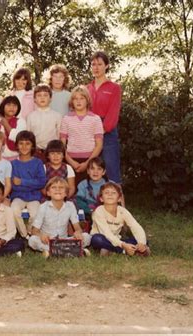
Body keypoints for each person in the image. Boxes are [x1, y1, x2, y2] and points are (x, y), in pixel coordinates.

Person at [28, 177, 91, 258]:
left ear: (66, 193)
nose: (57, 190)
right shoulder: (43, 207)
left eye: (61, 188)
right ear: (48, 193)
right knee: (32, 240)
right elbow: (34, 231)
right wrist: (41, 235)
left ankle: (52, 251)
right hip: (48, 241)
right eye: (54, 187)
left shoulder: (70, 206)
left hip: (64, 240)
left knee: (87, 237)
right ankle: (72, 250)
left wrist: (78, 232)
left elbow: (77, 228)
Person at [87, 51, 122, 184]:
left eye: (100, 64)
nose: (96, 67)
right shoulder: (86, 88)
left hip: (107, 132)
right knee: (91, 170)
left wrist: (101, 130)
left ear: (106, 66)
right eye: (93, 64)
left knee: (111, 170)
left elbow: (113, 114)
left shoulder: (114, 88)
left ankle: (120, 204)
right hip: (88, 130)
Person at [90, 182, 150, 256]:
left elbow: (135, 226)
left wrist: (142, 243)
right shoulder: (99, 211)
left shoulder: (122, 211)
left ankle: (111, 251)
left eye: (113, 193)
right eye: (106, 192)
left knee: (143, 240)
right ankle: (125, 251)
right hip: (104, 239)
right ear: (101, 199)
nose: (110, 194)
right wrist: (123, 246)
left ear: (119, 199)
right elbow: (106, 233)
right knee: (97, 239)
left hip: (117, 240)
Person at [60, 85, 103, 184]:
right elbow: (62, 145)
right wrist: (71, 162)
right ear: (72, 101)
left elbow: (99, 145)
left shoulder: (95, 119)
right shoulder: (66, 119)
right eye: (75, 99)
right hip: (70, 160)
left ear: (87, 100)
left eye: (82, 98)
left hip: (90, 160)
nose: (78, 101)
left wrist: (87, 163)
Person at [10, 131, 46, 238]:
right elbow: (13, 185)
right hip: (18, 196)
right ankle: (24, 234)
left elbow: (41, 182)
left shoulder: (38, 163)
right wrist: (31, 183)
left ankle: (31, 233)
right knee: (13, 210)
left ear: (33, 146)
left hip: (34, 197)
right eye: (21, 143)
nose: (24, 146)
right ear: (16, 145)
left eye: (28, 143)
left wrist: (22, 182)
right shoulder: (13, 164)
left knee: (35, 213)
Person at [26, 84, 62, 160]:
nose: (42, 98)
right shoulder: (30, 116)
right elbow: (28, 136)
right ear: (34, 99)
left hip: (52, 152)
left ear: (50, 98)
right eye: (39, 95)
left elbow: (59, 135)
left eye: (45, 95)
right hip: (36, 152)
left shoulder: (57, 115)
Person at [75, 157, 110, 221]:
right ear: (88, 171)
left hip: (106, 212)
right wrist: (90, 210)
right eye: (92, 168)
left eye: (99, 169)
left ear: (104, 172)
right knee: (76, 208)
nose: (95, 172)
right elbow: (79, 201)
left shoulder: (110, 184)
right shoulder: (83, 184)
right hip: (88, 212)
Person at [0, 95, 27, 161]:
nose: (11, 108)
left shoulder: (20, 121)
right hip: (0, 159)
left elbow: (19, 138)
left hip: (17, 158)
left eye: (14, 105)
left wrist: (6, 124)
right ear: (3, 107)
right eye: (8, 105)